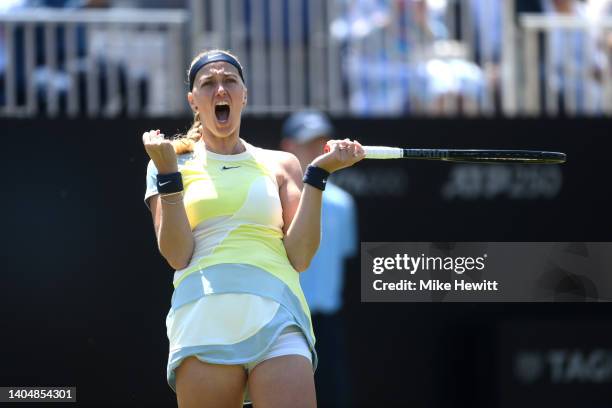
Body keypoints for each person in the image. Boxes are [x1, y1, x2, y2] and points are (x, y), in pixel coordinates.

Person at [142, 49, 365, 407]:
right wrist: (168, 176)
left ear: (244, 95)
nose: (220, 90)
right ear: (193, 101)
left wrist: (318, 175)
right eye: (208, 83)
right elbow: (177, 254)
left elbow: (300, 255)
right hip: (204, 319)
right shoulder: (170, 162)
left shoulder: (282, 164)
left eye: (229, 81)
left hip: (278, 316)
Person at [280, 111, 358, 407]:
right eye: (307, 144)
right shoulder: (275, 199)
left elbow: (343, 256)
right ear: (288, 147)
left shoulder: (343, 204)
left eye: (321, 143)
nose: (316, 151)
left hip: (327, 324)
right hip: (286, 321)